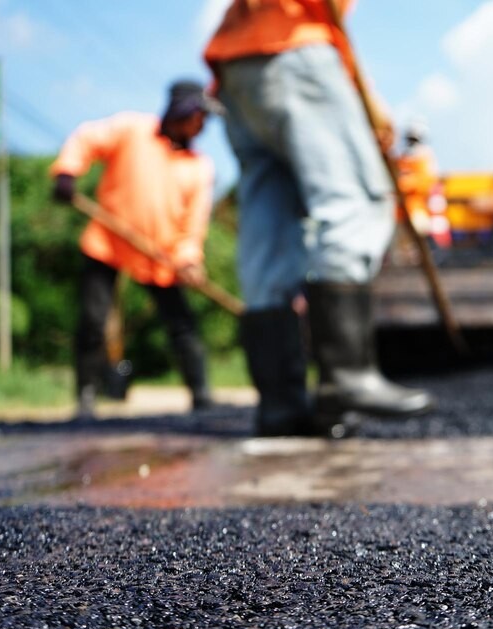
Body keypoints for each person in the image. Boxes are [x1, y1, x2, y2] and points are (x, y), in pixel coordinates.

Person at [204, 0, 433, 438]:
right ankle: (346, 376)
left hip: (236, 67)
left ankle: (280, 404)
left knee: (268, 221)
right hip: (295, 48)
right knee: (356, 201)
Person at [50, 80, 223, 419]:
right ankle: (86, 397)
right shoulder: (133, 131)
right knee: (92, 320)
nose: (203, 125)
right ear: (182, 112)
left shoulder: (199, 166)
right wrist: (67, 172)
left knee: (182, 324)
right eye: (200, 116)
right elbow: (86, 139)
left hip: (159, 257)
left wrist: (188, 259)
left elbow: (193, 225)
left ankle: (201, 395)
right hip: (108, 242)